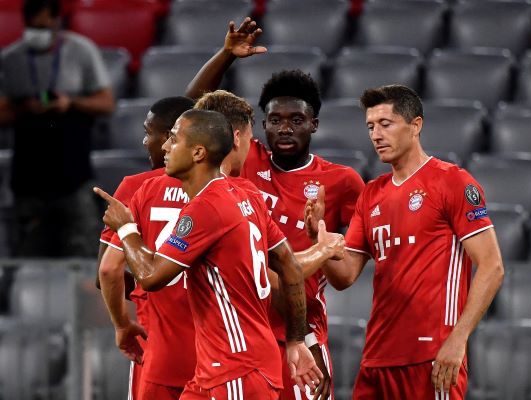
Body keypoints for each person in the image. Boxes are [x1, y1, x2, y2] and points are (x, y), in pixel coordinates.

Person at [95, 109, 323, 399]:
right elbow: (289, 264)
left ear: (198, 153)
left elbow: (151, 276)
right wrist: (295, 340)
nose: (165, 146)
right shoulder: (247, 195)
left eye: (174, 140)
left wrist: (126, 228)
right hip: (220, 369)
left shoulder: (206, 208)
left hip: (236, 369)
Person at [186, 30, 365, 400]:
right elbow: (189, 113)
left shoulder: (342, 182)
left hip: (302, 329)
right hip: (241, 335)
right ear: (260, 126)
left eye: (297, 120)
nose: (286, 127)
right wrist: (225, 55)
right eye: (276, 120)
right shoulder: (245, 158)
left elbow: (346, 275)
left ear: (314, 124)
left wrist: (320, 238)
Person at [306, 85, 505, 399]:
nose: (376, 135)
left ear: (416, 125)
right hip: (377, 357)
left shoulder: (452, 182)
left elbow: (492, 266)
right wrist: (319, 239)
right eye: (370, 126)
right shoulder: (371, 194)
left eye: (386, 124)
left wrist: (458, 339)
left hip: (432, 357)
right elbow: (344, 277)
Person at [97, 96, 196, 400]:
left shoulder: (137, 187)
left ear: (170, 138)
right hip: (217, 347)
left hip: (157, 343)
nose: (144, 141)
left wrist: (124, 321)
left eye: (149, 132)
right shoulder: (225, 189)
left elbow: (107, 271)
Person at [0, 0, 114, 256]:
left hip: (74, 177)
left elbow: (106, 103)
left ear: (56, 21)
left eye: (43, 25)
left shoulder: (81, 51)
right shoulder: (11, 59)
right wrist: (24, 108)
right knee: (28, 258)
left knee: (81, 256)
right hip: (28, 180)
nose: (37, 31)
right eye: (32, 25)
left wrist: (70, 102)